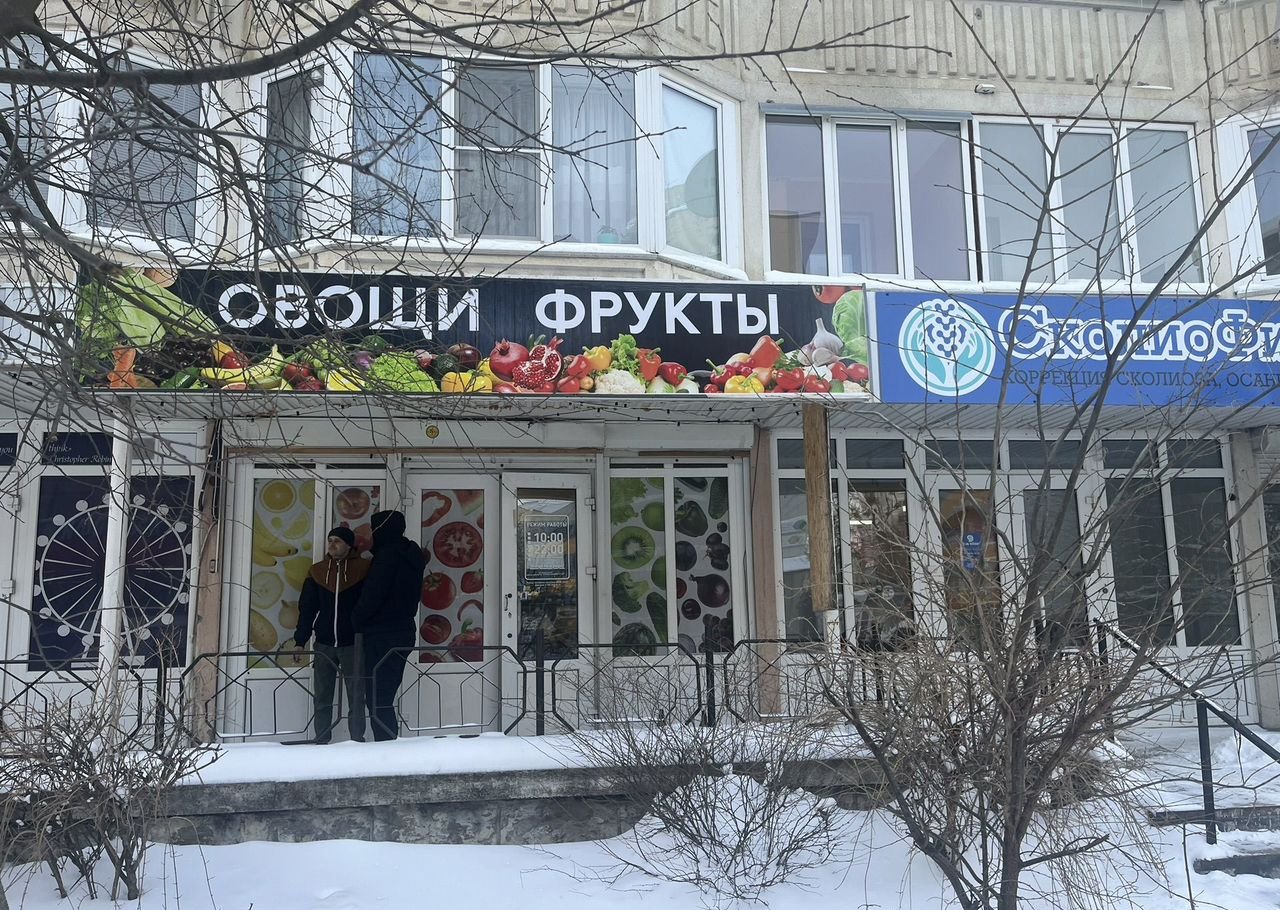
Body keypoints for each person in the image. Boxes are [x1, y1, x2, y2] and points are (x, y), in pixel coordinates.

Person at [293, 527, 370, 744]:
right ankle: (321, 741)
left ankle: (357, 741)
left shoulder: (364, 568)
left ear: (349, 545)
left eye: (337, 541)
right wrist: (300, 641)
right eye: (330, 540)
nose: (332, 545)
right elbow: (307, 608)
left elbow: (371, 604)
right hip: (324, 643)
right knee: (322, 696)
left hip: (353, 643)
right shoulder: (317, 571)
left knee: (357, 696)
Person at [352, 510, 425, 740]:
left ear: (382, 530)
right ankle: (387, 745)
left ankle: (386, 748)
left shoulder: (387, 556)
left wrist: (355, 620)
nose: (373, 534)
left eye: (375, 529)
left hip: (381, 634)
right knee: (384, 696)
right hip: (403, 631)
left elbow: (373, 594)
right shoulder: (411, 555)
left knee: (378, 699)